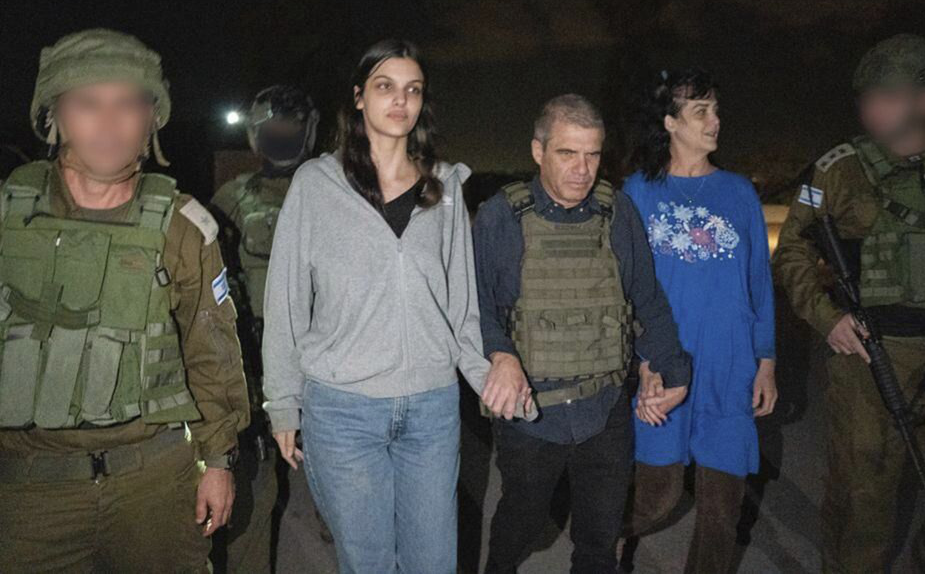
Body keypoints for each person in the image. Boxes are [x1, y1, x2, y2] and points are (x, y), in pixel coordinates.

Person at [261, 39, 526, 573]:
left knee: (434, 563)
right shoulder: (316, 185)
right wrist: (283, 403)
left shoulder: (444, 189)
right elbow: (286, 300)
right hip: (343, 410)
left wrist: (488, 373)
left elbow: (461, 305)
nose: (400, 100)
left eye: (412, 90)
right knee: (371, 564)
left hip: (430, 409)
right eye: (385, 87)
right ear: (359, 98)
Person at [0, 28, 249, 573]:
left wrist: (218, 461)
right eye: (88, 104)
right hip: (29, 491)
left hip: (154, 484)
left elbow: (210, 354)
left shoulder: (184, 226)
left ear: (151, 119)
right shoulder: (6, 218)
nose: (108, 125)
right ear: (54, 115)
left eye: (127, 105)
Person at [773, 33, 925, 572]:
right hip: (870, 356)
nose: (869, 109)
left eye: (885, 96)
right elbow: (792, 250)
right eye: (867, 97)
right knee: (863, 506)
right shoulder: (837, 170)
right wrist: (827, 318)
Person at [475, 93, 693, 574]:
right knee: (521, 524)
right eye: (567, 153)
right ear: (538, 152)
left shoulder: (617, 213)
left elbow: (646, 298)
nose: (582, 169)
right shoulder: (500, 216)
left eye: (592, 154)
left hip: (605, 410)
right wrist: (499, 354)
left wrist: (673, 369)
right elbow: (476, 308)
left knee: (599, 540)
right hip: (533, 414)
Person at [619, 69, 777, 572]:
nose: (715, 121)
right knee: (657, 496)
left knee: (721, 510)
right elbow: (624, 289)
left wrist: (766, 359)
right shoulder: (638, 193)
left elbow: (758, 281)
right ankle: (605, 539)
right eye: (700, 111)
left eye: (716, 110)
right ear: (669, 122)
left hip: (730, 365)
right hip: (666, 363)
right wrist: (644, 363)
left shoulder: (738, 193)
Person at [209, 85, 320, 572]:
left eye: (290, 131)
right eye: (273, 131)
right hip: (255, 361)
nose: (282, 139)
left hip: (324, 362)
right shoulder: (231, 199)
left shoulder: (334, 192)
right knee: (254, 485)